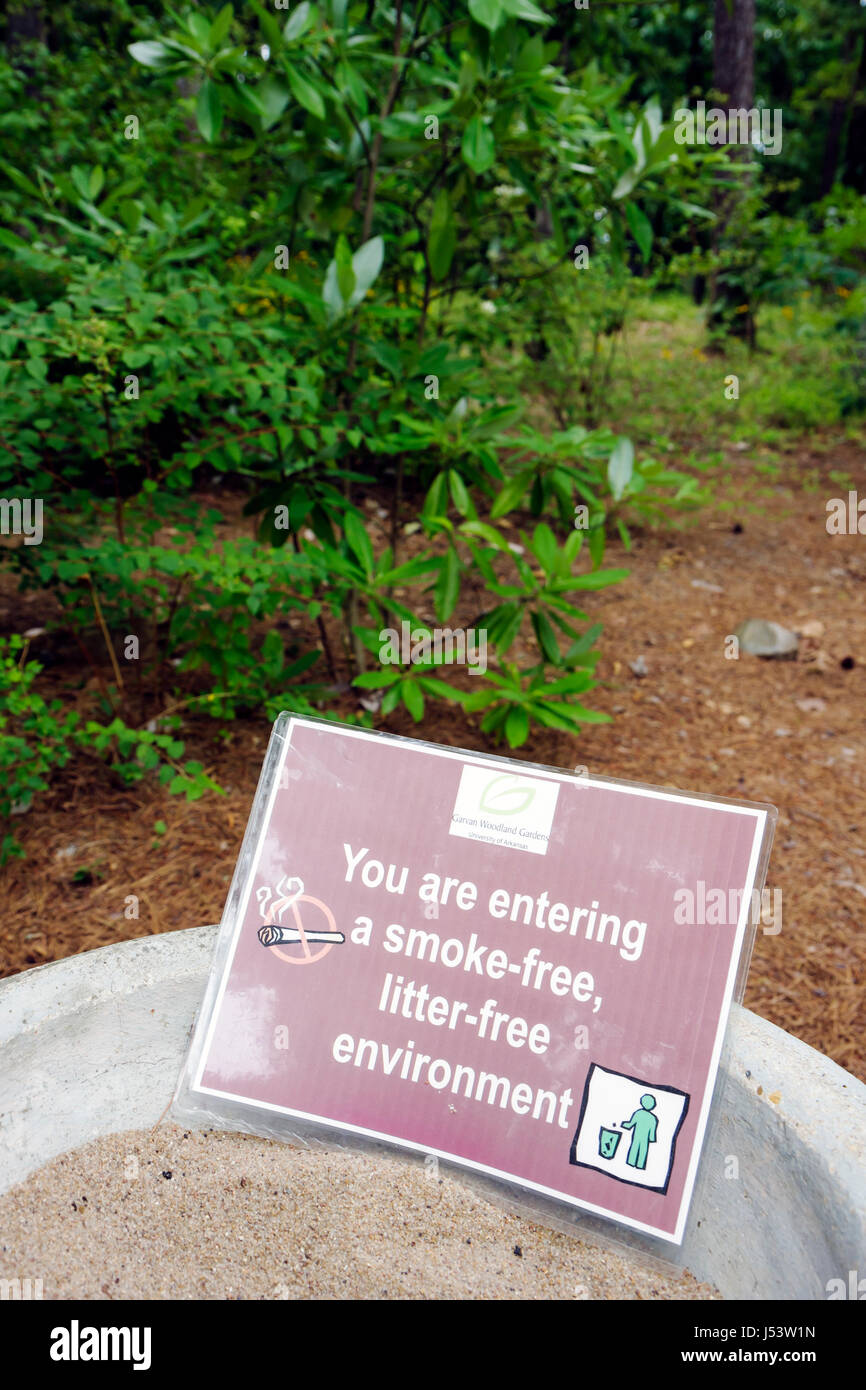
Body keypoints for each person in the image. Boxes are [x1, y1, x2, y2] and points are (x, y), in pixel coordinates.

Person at [621, 1093, 658, 1170]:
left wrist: (623, 1124)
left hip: (637, 1136)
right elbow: (652, 1132)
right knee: (643, 1151)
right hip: (645, 1139)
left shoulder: (638, 1113)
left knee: (634, 1147)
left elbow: (630, 1124)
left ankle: (631, 1162)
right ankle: (640, 1165)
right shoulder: (653, 1118)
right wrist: (651, 1138)